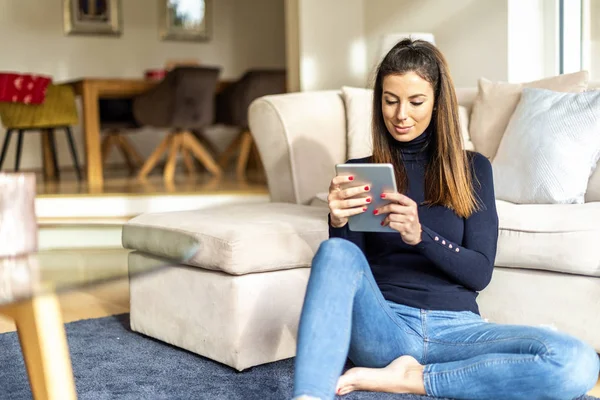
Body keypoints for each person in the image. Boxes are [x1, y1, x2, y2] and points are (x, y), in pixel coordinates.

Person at [291, 38, 600, 400]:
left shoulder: (473, 169)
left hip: (458, 329)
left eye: (415, 101)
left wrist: (419, 235)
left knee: (575, 360)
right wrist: (338, 221)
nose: (400, 114)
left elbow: (479, 273)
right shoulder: (363, 173)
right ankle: (309, 395)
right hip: (386, 328)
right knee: (333, 253)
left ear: (438, 102)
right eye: (390, 101)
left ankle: (411, 379)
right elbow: (349, 271)